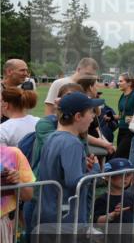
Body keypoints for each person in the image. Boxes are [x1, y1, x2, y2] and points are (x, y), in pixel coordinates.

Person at [32, 92, 103, 225]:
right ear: (78, 116)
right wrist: (95, 170)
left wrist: (82, 166)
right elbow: (75, 182)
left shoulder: (53, 137)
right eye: (90, 112)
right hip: (66, 217)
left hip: (47, 211)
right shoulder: (72, 143)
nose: (93, 117)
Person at [93, 159, 134, 225]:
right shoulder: (102, 199)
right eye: (120, 174)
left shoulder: (132, 196)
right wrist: (113, 215)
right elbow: (97, 221)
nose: (125, 178)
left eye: (128, 174)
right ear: (107, 177)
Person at [114, 75, 134, 159]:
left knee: (118, 156)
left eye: (121, 81)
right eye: (118, 81)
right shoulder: (123, 95)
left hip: (130, 131)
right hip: (121, 129)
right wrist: (114, 117)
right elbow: (123, 114)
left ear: (129, 83)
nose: (118, 83)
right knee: (123, 158)